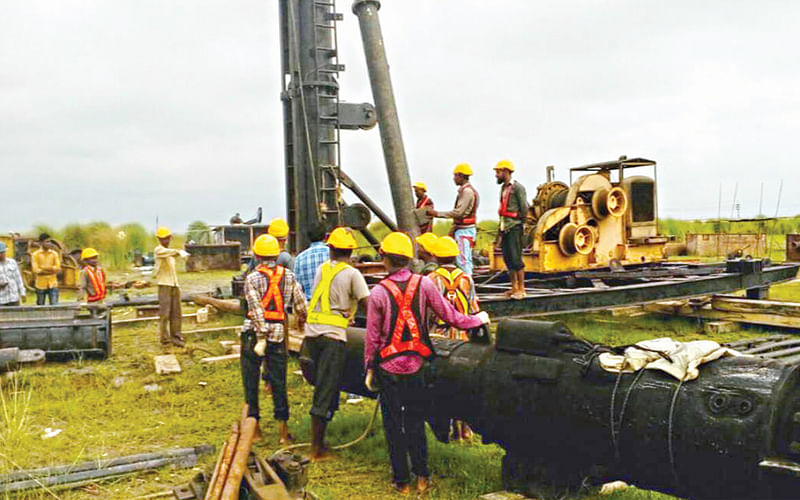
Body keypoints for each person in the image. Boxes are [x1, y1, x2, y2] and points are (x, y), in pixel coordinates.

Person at [363, 232, 490, 494]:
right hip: (416, 366)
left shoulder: (377, 293)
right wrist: (477, 320)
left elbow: (372, 338)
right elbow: (451, 315)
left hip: (388, 369)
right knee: (415, 422)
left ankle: (402, 482)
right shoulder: (425, 285)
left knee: (393, 426)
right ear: (409, 259)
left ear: (385, 259)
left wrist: (369, 368)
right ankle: (422, 477)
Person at [304, 226, 370, 461]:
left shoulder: (323, 269)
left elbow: (325, 300)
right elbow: (368, 305)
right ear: (350, 251)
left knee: (326, 385)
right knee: (326, 388)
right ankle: (316, 449)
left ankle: (321, 441)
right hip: (332, 337)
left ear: (330, 248)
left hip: (312, 335)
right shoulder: (353, 274)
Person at [242, 234, 307, 444]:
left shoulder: (251, 278)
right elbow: (300, 305)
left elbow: (256, 309)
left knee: (251, 383)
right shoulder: (288, 276)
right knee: (279, 382)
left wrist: (261, 335)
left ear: (257, 255)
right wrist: (301, 320)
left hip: (254, 335)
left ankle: (256, 430)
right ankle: (282, 432)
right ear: (276, 254)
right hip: (279, 333)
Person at [426, 235, 480, 441]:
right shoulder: (466, 278)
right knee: (463, 381)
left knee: (441, 382)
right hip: (462, 335)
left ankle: (446, 428)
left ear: (435, 256)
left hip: (439, 335)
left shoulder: (430, 280)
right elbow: (474, 308)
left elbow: (427, 311)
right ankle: (465, 429)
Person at [430, 163, 480, 275]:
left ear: (461, 176)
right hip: (463, 230)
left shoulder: (467, 192)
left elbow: (459, 213)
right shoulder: (466, 191)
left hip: (465, 232)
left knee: (463, 261)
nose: (454, 178)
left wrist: (436, 214)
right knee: (464, 260)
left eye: (455, 176)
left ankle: (467, 289)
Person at [494, 160, 528, 299]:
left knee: (516, 258)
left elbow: (524, 208)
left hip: (514, 227)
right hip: (505, 227)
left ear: (506, 171)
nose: (496, 175)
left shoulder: (517, 188)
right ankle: (513, 287)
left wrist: (520, 224)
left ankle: (521, 288)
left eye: (498, 172)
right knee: (508, 258)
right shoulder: (503, 189)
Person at [153, 227, 189, 347]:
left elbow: (173, 254)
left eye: (167, 238)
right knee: (165, 313)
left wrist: (180, 254)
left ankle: (176, 337)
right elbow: (169, 252)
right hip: (164, 285)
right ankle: (164, 338)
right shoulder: (159, 250)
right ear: (159, 239)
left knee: (176, 312)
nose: (166, 241)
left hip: (174, 285)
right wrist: (179, 251)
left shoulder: (169, 253)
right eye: (163, 239)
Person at [293, 222, 330, 301]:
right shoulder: (332, 254)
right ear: (325, 236)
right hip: (331, 305)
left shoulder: (300, 258)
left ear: (308, 237)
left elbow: (298, 288)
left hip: (310, 307)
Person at [31, 233, 61, 305]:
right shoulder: (35, 254)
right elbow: (36, 270)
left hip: (53, 284)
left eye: (50, 241)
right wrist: (51, 270)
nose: (49, 243)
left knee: (54, 306)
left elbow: (57, 268)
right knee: (40, 307)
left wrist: (43, 268)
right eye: (47, 242)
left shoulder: (54, 254)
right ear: (41, 243)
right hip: (40, 285)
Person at [0, 242, 26, 306]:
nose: (1, 255)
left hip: (13, 297)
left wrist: (22, 293)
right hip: (1, 299)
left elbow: (18, 279)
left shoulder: (12, 262)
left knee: (15, 315)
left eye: (2, 252)